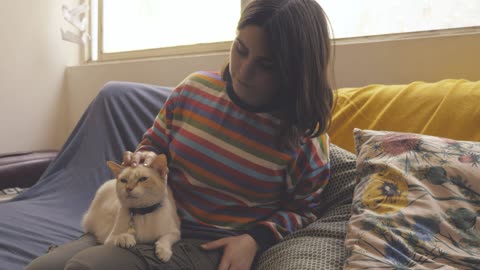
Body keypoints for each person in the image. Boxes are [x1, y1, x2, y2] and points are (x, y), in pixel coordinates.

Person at [25, 0, 334, 269]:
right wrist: (143, 157)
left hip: (205, 248)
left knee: (86, 267)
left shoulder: (304, 141)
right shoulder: (193, 90)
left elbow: (303, 210)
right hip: (148, 219)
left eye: (265, 65)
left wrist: (254, 239)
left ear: (295, 71)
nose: (243, 71)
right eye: (240, 49)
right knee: (42, 267)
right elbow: (154, 144)